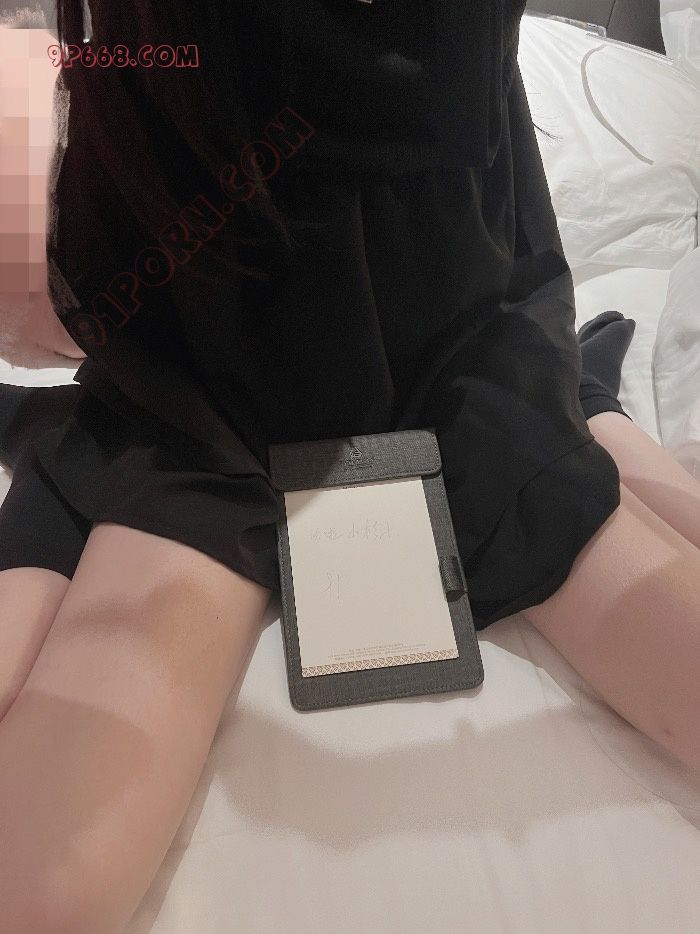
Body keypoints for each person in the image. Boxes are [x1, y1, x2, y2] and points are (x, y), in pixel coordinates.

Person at [0, 2, 698, 931]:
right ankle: (585, 404)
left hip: (452, 343)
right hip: (207, 367)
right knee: (46, 891)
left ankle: (582, 399)